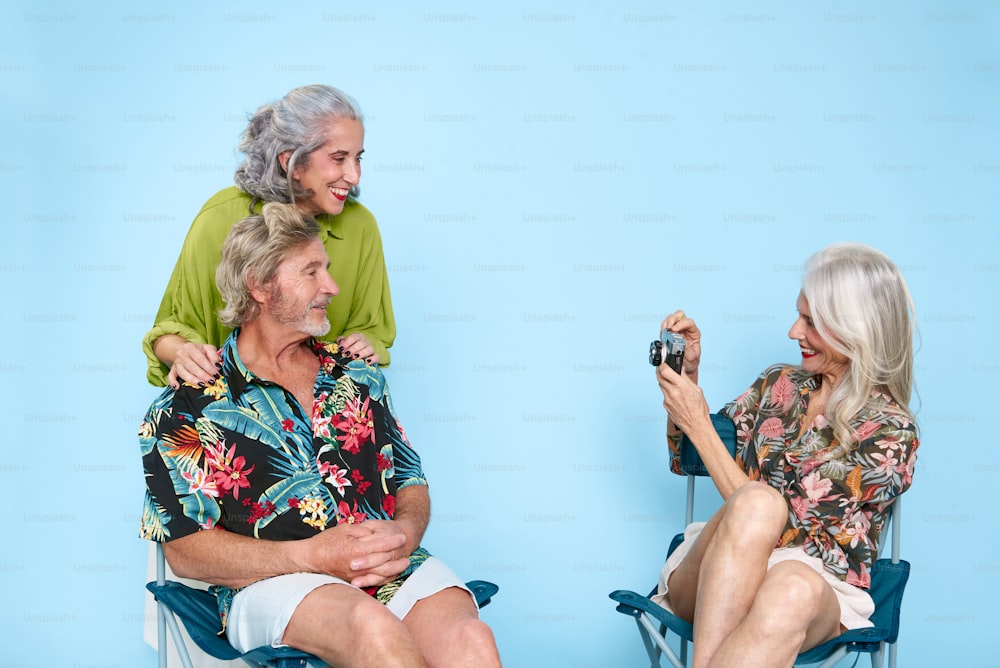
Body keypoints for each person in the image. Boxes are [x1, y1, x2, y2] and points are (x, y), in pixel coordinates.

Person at [138, 202, 501, 667]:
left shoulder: (358, 375)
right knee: (371, 629)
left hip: (386, 566)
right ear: (260, 286)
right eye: (311, 272)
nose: (332, 287)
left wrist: (404, 535)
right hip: (272, 582)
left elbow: (410, 481)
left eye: (326, 269)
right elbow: (187, 552)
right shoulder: (186, 406)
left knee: (473, 641)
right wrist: (312, 555)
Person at [652, 242, 919, 668]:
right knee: (758, 503)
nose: (794, 331)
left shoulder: (890, 432)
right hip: (715, 571)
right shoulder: (779, 384)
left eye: (811, 322)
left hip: (813, 591)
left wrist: (700, 423)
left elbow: (788, 534)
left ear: (855, 330)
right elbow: (685, 456)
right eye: (799, 316)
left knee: (791, 581)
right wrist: (689, 379)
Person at [143, 84, 395, 389]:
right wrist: (184, 353)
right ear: (291, 162)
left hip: (323, 412)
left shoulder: (361, 226)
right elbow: (171, 330)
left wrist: (365, 343)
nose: (354, 176)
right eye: (339, 158)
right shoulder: (219, 218)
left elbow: (373, 331)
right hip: (228, 416)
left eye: (358, 159)